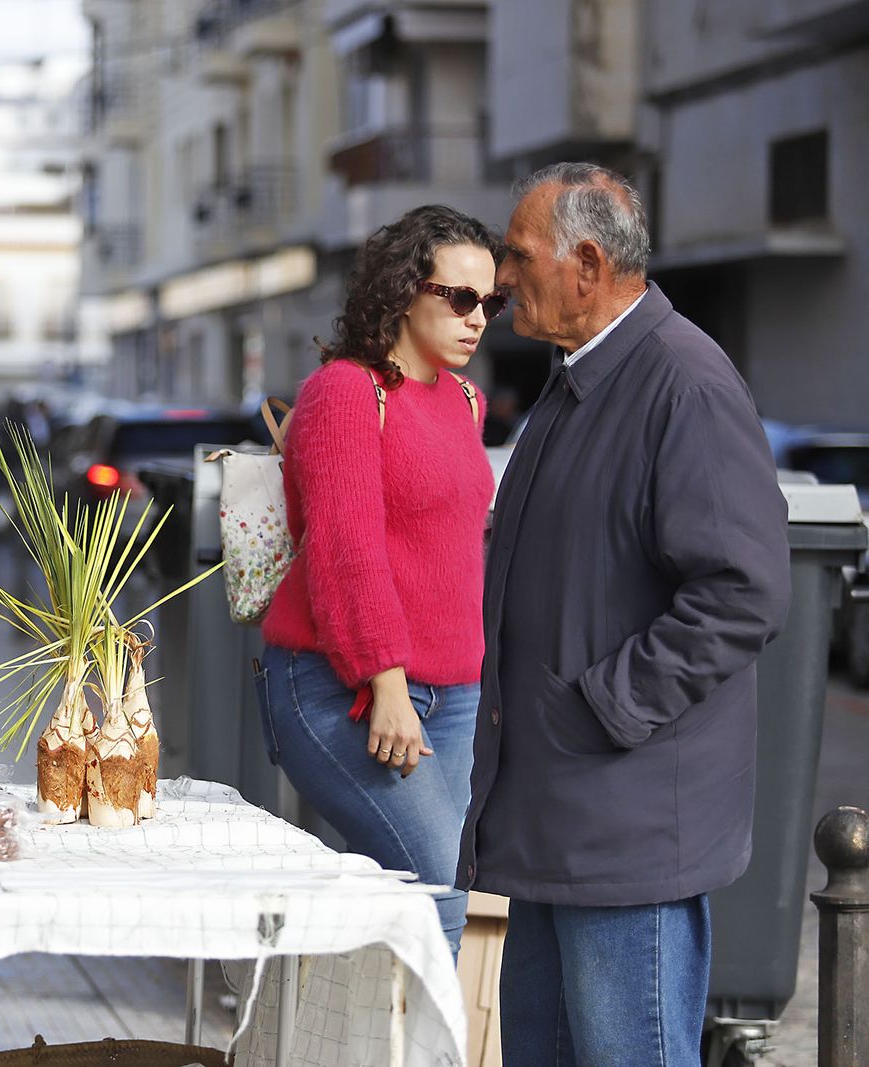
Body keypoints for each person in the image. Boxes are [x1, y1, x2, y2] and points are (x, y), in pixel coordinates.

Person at [457, 164, 791, 1065]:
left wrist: (606, 704)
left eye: (517, 256)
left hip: (622, 830)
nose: (501, 277)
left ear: (588, 265)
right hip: (557, 819)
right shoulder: (578, 380)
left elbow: (743, 589)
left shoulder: (682, 383)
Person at [257, 204, 501, 960]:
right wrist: (385, 685)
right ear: (402, 290)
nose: (478, 318)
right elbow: (343, 549)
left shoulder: (464, 401)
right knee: (437, 893)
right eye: (459, 297)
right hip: (343, 686)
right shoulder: (345, 392)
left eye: (491, 302)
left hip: (453, 697)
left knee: (432, 895)